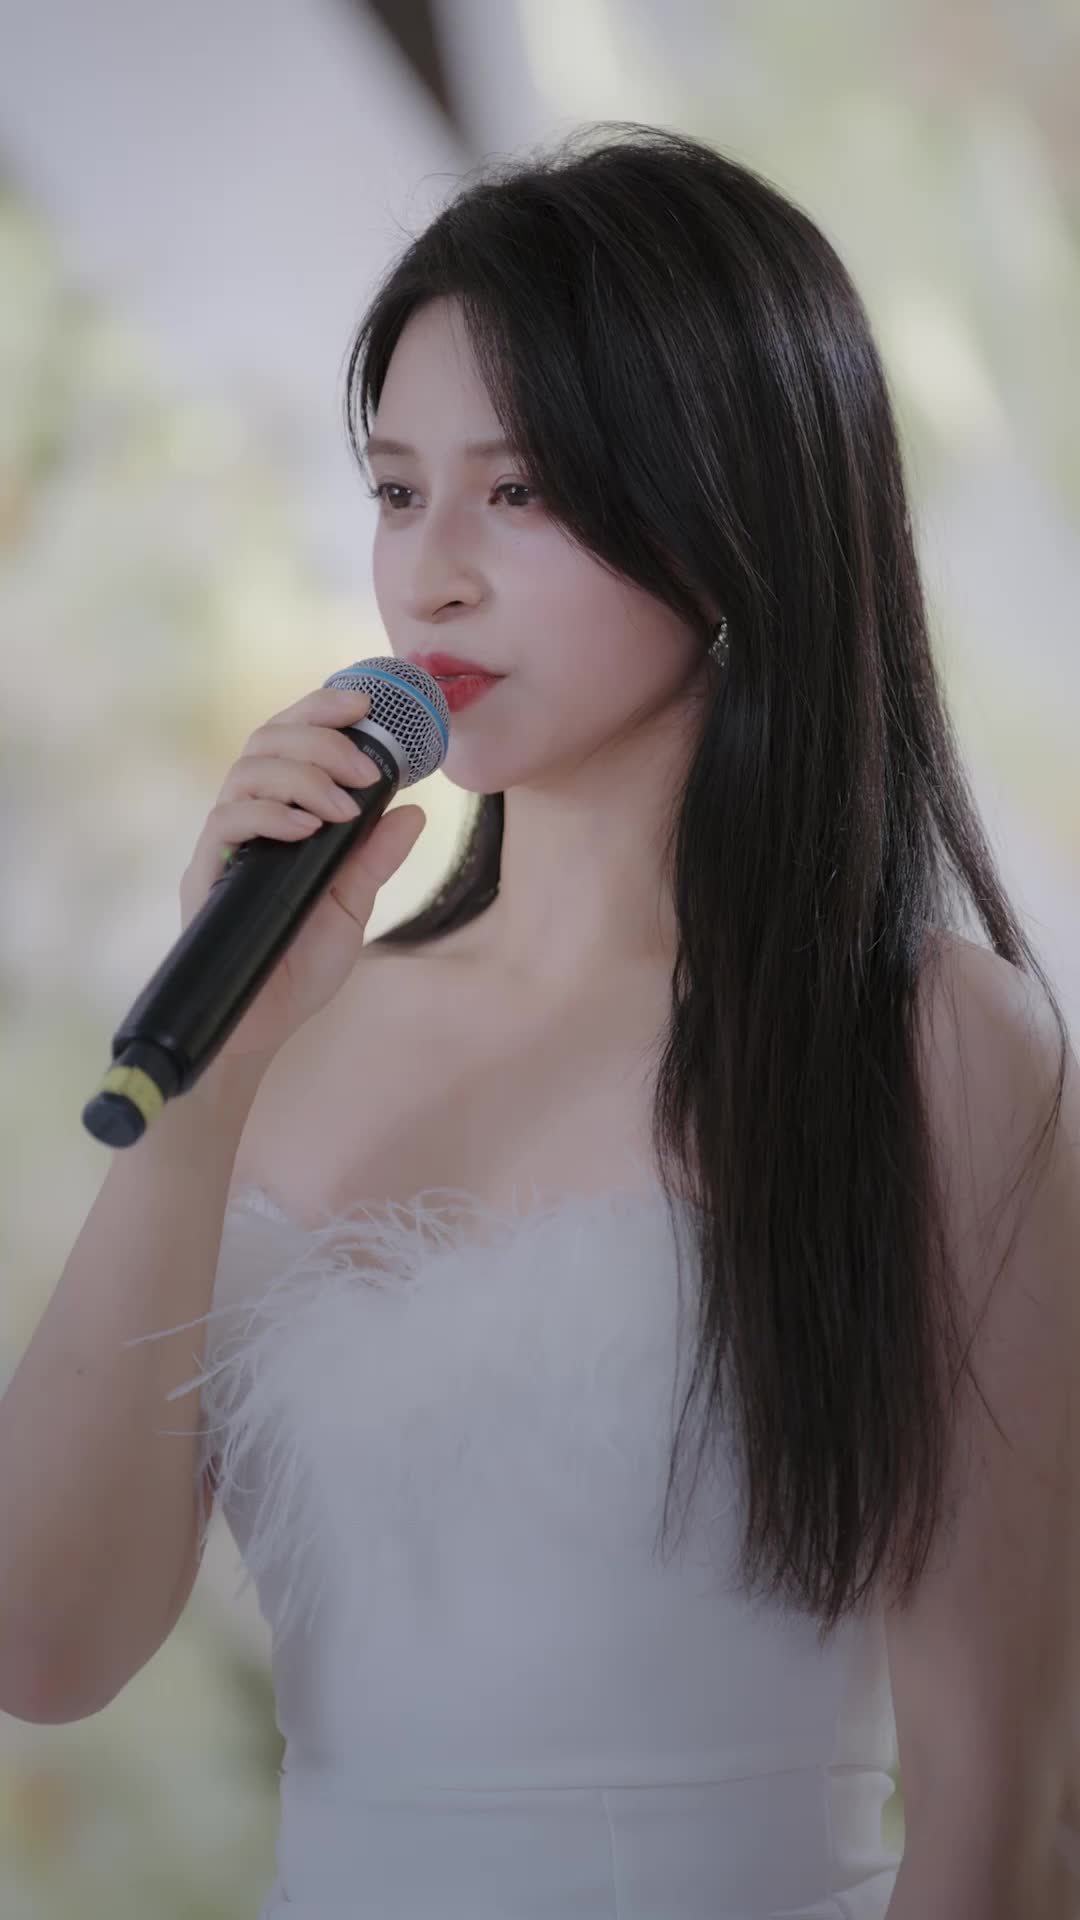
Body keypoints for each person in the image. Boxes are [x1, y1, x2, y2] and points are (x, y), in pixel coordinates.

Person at [4, 122, 1077, 1919]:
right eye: (395, 489)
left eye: (519, 494)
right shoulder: (290, 1026)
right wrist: (210, 1090)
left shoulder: (925, 1042)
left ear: (729, 513)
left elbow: (1000, 1832)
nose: (429, 574)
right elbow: (44, 1646)